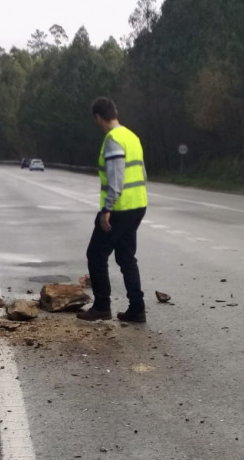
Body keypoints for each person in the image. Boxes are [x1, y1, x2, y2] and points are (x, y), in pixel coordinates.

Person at [76, 97, 148, 323]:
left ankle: (102, 306)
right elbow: (143, 174)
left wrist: (106, 210)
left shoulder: (113, 140)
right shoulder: (132, 136)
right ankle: (137, 309)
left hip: (119, 208)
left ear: (98, 117)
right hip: (137, 205)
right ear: (115, 113)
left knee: (96, 255)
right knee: (126, 257)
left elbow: (116, 179)